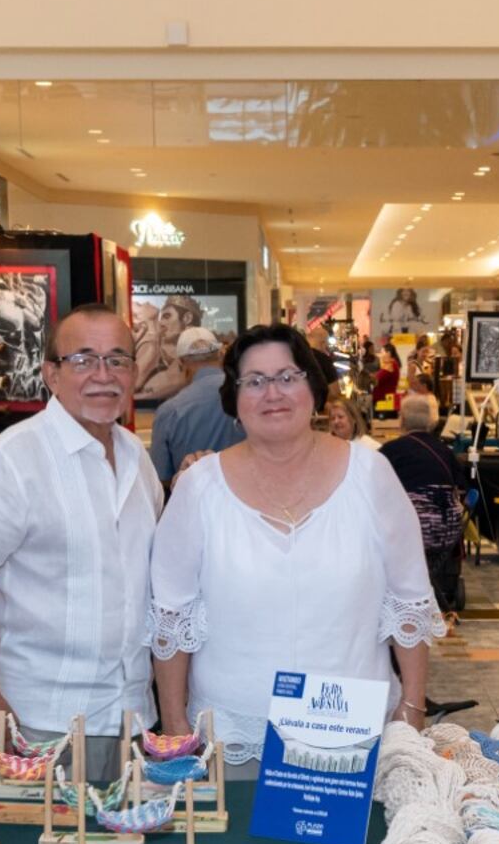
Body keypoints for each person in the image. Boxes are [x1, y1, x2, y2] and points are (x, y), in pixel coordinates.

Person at [150, 324, 444, 768]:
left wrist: (413, 710)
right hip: (231, 739)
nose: (273, 393)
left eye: (288, 377)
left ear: (313, 388)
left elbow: (410, 601)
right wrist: (175, 727)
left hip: (353, 739)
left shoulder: (371, 474)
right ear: (234, 397)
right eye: (255, 381)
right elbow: (171, 619)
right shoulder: (199, 488)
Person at [0, 304, 162, 782]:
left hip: (131, 715)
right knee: (30, 833)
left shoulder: (136, 459)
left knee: (124, 830)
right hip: (38, 720)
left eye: (117, 359)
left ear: (133, 373)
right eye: (83, 360)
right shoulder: (11, 461)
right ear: (51, 374)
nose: (103, 375)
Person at [381, 390, 467, 619]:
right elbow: (461, 487)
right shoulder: (444, 451)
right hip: (446, 532)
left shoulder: (390, 451)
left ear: (402, 420)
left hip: (409, 532)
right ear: (430, 421)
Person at [148, 327, 238, 487]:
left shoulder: (168, 411)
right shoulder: (246, 396)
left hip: (194, 498)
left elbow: (161, 477)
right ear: (220, 355)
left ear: (181, 363)